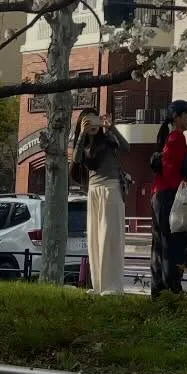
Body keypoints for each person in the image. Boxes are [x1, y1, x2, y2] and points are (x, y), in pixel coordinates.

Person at [72, 108, 127, 295]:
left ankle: (112, 286)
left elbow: (127, 148)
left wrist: (112, 128)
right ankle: (98, 286)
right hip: (93, 191)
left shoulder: (109, 140)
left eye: (95, 120)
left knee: (109, 238)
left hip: (111, 189)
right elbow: (76, 159)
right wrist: (81, 135)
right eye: (87, 121)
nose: (93, 124)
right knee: (95, 238)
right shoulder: (84, 146)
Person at [150, 99, 187, 297]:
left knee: (160, 245)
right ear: (176, 117)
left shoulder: (169, 138)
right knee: (173, 245)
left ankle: (159, 292)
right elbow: (171, 171)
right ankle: (172, 291)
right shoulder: (177, 137)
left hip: (160, 195)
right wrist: (183, 186)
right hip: (170, 196)